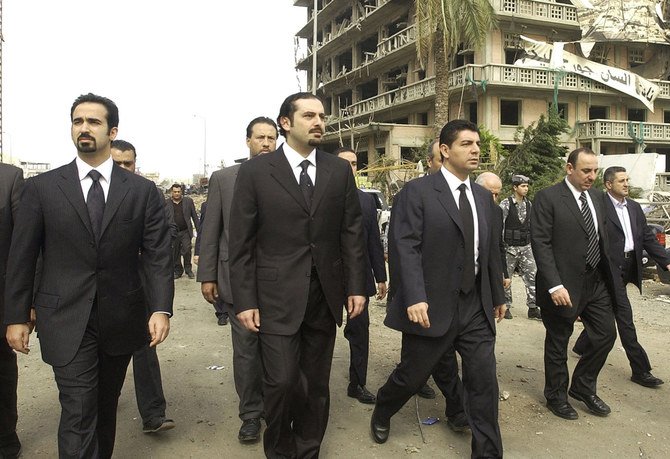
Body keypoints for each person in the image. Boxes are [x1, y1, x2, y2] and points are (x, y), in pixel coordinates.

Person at [4, 93, 173, 458]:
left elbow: (158, 255)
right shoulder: (42, 189)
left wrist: (160, 308)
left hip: (121, 317)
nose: (84, 128)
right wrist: (17, 314)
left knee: (103, 408)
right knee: (79, 407)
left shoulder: (141, 192)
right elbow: (23, 255)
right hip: (64, 316)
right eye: (78, 121)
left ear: (112, 131)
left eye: (93, 122)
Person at [229, 92, 366, 458]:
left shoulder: (338, 171)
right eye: (309, 115)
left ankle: (308, 451)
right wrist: (244, 300)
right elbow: (241, 243)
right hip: (274, 297)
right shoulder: (256, 171)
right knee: (282, 382)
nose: (319, 122)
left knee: (316, 385)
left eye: (322, 115)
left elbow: (350, 231)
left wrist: (356, 286)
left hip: (324, 294)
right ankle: (279, 450)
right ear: (286, 124)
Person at [372, 120, 506, 458]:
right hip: (431, 306)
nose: (475, 149)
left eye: (476, 143)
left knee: (483, 382)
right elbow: (406, 247)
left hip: (474, 306)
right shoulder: (416, 193)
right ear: (445, 151)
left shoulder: (482, 197)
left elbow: (489, 250)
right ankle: (383, 408)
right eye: (465, 144)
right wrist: (415, 296)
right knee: (411, 376)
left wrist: (497, 295)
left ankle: (488, 452)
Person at [197, 116, 278, 442]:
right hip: (236, 281)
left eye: (271, 138)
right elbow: (211, 229)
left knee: (277, 353)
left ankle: (276, 410)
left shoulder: (286, 177)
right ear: (248, 141)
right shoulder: (225, 179)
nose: (266, 144)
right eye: (260, 138)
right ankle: (250, 415)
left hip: (278, 285)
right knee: (246, 352)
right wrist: (207, 276)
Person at [531, 147, 616, 420]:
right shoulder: (548, 198)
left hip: (595, 281)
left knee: (605, 335)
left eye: (595, 171)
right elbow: (541, 243)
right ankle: (556, 396)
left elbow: (600, 238)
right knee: (558, 341)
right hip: (562, 284)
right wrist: (554, 285)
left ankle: (582, 386)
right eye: (586, 171)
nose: (592, 176)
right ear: (570, 169)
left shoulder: (598, 198)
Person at [573, 166, 670, 388]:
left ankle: (581, 345)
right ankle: (641, 369)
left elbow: (647, 238)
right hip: (607, 268)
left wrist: (666, 261)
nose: (626, 184)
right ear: (608, 185)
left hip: (629, 267)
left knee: (608, 307)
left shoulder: (635, 208)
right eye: (621, 181)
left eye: (627, 180)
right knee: (624, 316)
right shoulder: (600, 206)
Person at [110, 140, 176, 433]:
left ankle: (153, 414)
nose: (124, 168)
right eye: (118, 163)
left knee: (144, 348)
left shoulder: (148, 194)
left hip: (140, 287)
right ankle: (102, 401)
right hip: (103, 288)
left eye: (128, 163)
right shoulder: (91, 193)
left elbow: (167, 232)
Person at [335, 147, 387, 405]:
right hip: (326, 279)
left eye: (354, 164)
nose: (349, 168)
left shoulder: (366, 201)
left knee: (360, 332)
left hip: (358, 278)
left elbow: (373, 241)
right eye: (344, 163)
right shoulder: (316, 198)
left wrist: (381, 275)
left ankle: (358, 383)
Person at [0, 163, 24, 459]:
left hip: (2, 299)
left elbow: (24, 245)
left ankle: (5, 435)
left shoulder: (9, 178)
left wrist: (24, 304)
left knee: (2, 369)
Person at [500, 174, 540, 320]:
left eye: (527, 186)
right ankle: (506, 306)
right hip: (509, 248)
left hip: (526, 247)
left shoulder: (529, 204)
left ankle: (533, 307)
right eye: (523, 186)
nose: (526, 189)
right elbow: (500, 226)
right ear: (515, 187)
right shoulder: (506, 204)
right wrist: (502, 246)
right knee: (506, 278)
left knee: (533, 275)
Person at [194, 200, 229, 326]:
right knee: (217, 281)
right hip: (216, 250)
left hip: (236, 249)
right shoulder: (207, 205)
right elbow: (203, 230)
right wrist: (198, 252)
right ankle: (222, 313)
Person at [167, 183, 199, 279]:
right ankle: (178, 270)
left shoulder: (188, 201)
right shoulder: (166, 203)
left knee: (187, 250)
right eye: (175, 192)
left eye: (178, 192)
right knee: (175, 252)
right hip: (173, 232)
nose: (177, 194)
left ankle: (188, 269)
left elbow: (194, 216)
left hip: (185, 231)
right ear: (171, 192)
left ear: (181, 192)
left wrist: (199, 230)